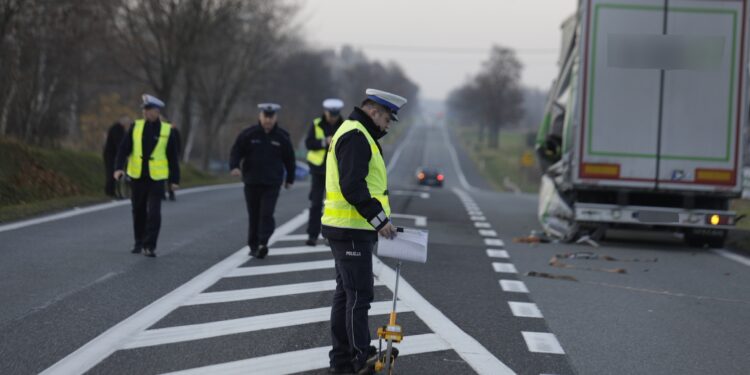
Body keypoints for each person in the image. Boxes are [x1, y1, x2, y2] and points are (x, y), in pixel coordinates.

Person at [322, 89, 406, 374]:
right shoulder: (357, 136)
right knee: (358, 295)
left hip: (348, 228)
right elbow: (352, 186)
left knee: (346, 294)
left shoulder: (357, 133)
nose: (388, 125)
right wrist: (380, 220)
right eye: (386, 118)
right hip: (350, 229)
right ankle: (361, 358)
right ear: (373, 112)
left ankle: (343, 362)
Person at [114, 95, 180, 257]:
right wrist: (118, 168)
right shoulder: (135, 127)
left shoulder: (166, 130)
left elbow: (173, 157)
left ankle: (149, 245)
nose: (145, 113)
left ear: (156, 111)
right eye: (144, 110)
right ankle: (139, 241)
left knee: (154, 213)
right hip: (137, 176)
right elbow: (123, 149)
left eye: (148, 110)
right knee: (138, 210)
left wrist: (174, 180)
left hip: (156, 178)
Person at [229, 103, 295, 259]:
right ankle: (253, 246)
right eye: (265, 117)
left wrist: (289, 179)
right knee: (254, 215)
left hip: (272, 183)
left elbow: (290, 160)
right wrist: (234, 166)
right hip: (252, 181)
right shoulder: (249, 134)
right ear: (260, 116)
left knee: (266, 213)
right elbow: (236, 151)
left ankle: (262, 242)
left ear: (275, 118)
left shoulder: (282, 137)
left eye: (271, 117)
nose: (268, 120)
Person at [305, 98, 345, 246]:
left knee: (334, 205)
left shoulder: (344, 125)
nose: (332, 117)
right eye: (330, 114)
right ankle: (312, 235)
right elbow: (308, 143)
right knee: (315, 204)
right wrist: (324, 142)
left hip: (336, 172)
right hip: (318, 170)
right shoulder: (317, 124)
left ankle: (331, 236)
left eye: (335, 115)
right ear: (325, 112)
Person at [103, 117, 129, 198]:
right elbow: (119, 143)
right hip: (111, 154)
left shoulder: (120, 129)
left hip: (114, 154)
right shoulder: (117, 129)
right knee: (111, 172)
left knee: (114, 172)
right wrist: (123, 154)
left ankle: (112, 191)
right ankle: (110, 191)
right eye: (127, 122)